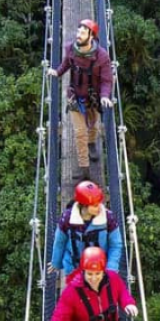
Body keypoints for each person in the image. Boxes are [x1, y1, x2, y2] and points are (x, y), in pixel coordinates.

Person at [44, 246, 138, 321]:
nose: (94, 278)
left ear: (103, 271)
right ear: (83, 271)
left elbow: (122, 292)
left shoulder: (113, 279)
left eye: (98, 273)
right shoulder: (72, 291)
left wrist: (128, 303)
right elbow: (60, 316)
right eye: (89, 274)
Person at [48, 19, 113, 181]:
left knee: (93, 127)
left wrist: (105, 96)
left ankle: (92, 144)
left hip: (94, 98)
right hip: (75, 98)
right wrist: (57, 72)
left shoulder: (102, 57)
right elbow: (66, 65)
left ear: (91, 36)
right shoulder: (70, 49)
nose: (78, 35)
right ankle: (85, 170)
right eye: (78, 32)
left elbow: (107, 80)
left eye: (83, 33)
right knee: (80, 133)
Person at [50, 180, 124, 275]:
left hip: (98, 270)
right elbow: (60, 241)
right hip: (74, 268)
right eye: (95, 205)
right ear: (83, 206)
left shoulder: (107, 217)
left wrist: (111, 269)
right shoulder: (67, 218)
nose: (99, 207)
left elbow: (115, 244)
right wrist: (56, 262)